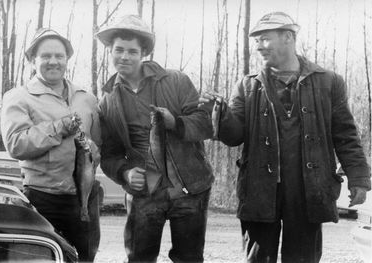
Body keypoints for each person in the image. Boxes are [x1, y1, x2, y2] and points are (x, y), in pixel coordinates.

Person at [200, 11, 371, 263]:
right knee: (258, 259)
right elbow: (234, 136)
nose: (259, 47)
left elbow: (345, 134)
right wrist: (221, 115)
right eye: (256, 41)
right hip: (259, 191)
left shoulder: (328, 82)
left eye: (265, 39)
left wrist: (358, 177)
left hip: (309, 191)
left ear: (288, 37)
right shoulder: (247, 86)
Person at [95, 15, 214, 263]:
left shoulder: (176, 81)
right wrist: (126, 173)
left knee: (189, 258)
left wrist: (176, 123)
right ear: (110, 51)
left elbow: (205, 123)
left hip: (189, 188)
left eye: (132, 51)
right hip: (145, 194)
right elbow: (110, 156)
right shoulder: (107, 101)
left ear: (144, 53)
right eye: (118, 50)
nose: (124, 57)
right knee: (139, 258)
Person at [1, 28, 101, 262]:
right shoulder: (18, 97)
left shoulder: (86, 98)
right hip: (42, 197)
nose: (53, 61)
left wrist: (94, 152)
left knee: (85, 257)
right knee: (41, 257)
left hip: (84, 195)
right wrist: (59, 128)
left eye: (59, 55)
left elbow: (98, 144)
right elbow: (16, 144)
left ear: (67, 59)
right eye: (45, 56)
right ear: (32, 60)